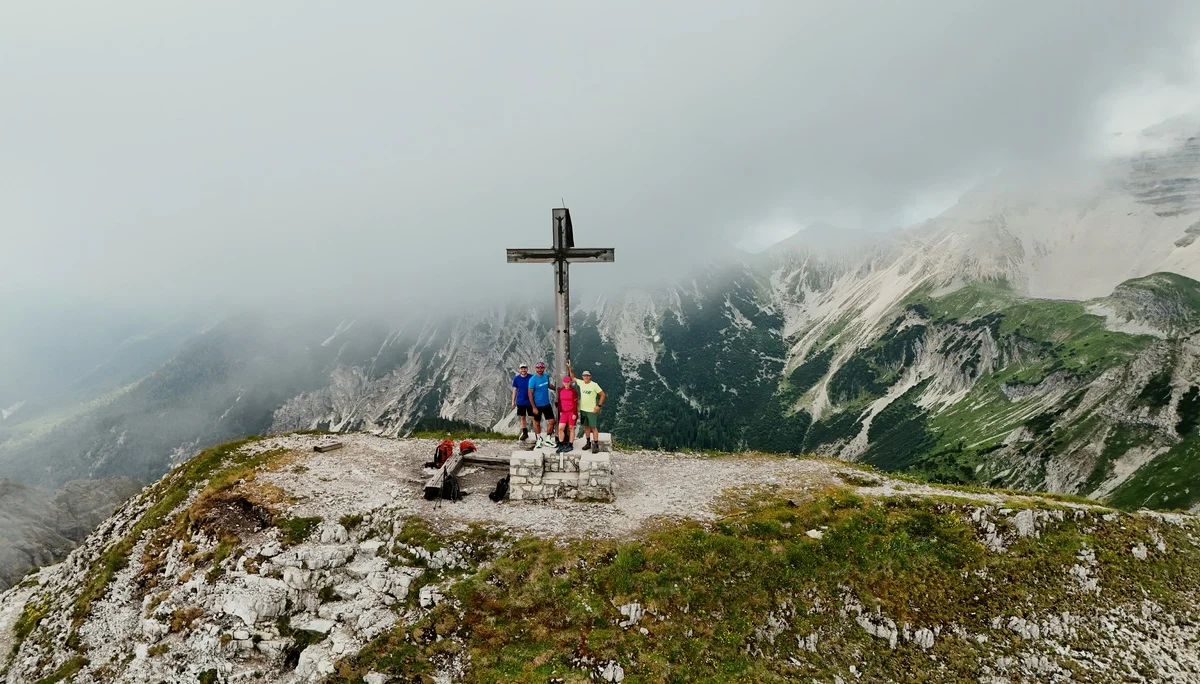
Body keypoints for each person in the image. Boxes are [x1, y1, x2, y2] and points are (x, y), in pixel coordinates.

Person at [526, 361, 556, 448]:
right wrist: (534, 407)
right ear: (536, 369)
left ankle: (548, 438)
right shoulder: (532, 380)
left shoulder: (546, 376)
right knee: (537, 422)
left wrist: (556, 389)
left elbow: (548, 385)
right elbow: (530, 394)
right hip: (537, 405)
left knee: (551, 421)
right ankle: (539, 439)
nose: (540, 369)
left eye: (541, 368)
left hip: (546, 404)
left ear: (544, 368)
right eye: (538, 368)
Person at [577, 369, 605, 453]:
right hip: (583, 409)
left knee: (593, 427)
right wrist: (570, 368)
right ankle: (588, 443)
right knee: (586, 427)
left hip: (592, 410)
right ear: (582, 377)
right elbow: (573, 377)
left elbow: (603, 395)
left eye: (587, 376)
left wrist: (598, 406)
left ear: (590, 377)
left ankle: (596, 445)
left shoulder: (594, 385)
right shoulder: (581, 383)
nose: (586, 377)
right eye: (584, 376)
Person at [556, 371, 581, 452]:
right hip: (564, 412)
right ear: (563, 382)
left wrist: (575, 413)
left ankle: (570, 445)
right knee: (560, 428)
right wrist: (560, 411)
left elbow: (575, 403)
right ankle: (561, 444)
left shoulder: (573, 392)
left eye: (568, 382)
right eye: (565, 382)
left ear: (570, 383)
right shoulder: (561, 390)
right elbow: (559, 401)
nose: (566, 383)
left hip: (571, 412)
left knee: (571, 428)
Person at [511, 363, 533, 441]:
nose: (523, 370)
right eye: (522, 368)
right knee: (522, 417)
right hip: (520, 401)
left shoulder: (531, 377)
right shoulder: (516, 379)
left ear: (527, 369)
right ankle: (525, 433)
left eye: (524, 368)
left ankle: (537, 433)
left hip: (530, 401)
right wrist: (513, 401)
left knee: (533, 418)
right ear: (519, 370)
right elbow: (515, 390)